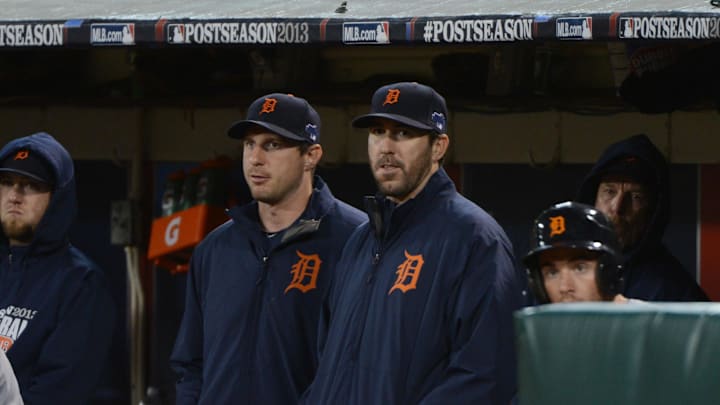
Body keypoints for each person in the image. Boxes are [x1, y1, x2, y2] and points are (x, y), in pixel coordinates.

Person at [302, 82, 525, 404]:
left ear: (438, 146)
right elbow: (328, 364)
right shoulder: (361, 242)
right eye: (378, 131)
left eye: (404, 133)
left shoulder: (473, 238)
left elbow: (487, 373)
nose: (386, 147)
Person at [170, 93, 365, 404]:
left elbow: (357, 367)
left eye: (272, 145)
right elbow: (191, 362)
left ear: (311, 155)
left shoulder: (356, 240)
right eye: (250, 144)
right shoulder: (216, 248)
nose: (255, 158)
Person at [0, 132, 115, 403]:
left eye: (30, 185)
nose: (15, 196)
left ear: (57, 198)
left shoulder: (81, 283)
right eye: (6, 183)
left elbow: (61, 392)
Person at [577, 134, 708, 301]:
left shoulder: (672, 292)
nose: (617, 208)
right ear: (592, 199)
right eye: (609, 191)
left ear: (653, 211)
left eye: (636, 197)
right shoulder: (556, 269)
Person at [523, 201, 637, 303]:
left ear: (609, 273)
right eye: (552, 273)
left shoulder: (649, 323)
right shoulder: (538, 325)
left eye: (580, 268)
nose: (564, 287)